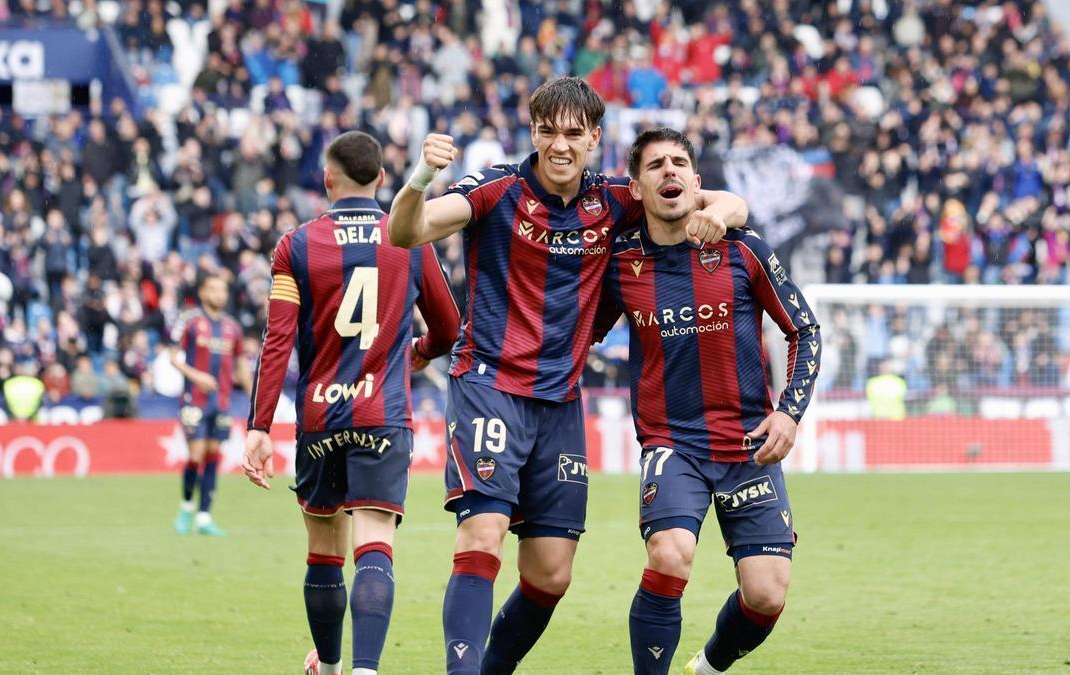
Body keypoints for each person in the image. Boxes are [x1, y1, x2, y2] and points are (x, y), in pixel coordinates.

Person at [387, 76, 748, 674]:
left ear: (594, 139)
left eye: (573, 134)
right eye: (548, 131)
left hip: (559, 400)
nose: (560, 145)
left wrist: (725, 212)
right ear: (533, 133)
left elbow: (718, 201)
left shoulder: (616, 199)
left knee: (551, 575)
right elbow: (406, 231)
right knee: (482, 534)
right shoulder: (496, 189)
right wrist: (422, 176)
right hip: (490, 384)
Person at [592, 128, 822, 675]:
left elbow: (804, 330)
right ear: (636, 188)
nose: (668, 171)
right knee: (669, 554)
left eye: (679, 162)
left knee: (766, 595)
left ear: (697, 183)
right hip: (673, 443)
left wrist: (789, 413)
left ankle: (706, 668)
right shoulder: (620, 263)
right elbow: (579, 331)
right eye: (655, 165)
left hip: (748, 444)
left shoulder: (744, 248)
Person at [241, 131, 460, 675]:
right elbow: (449, 328)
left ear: (326, 179)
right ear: (382, 178)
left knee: (324, 549)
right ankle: (365, 670)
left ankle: (332, 667)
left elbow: (277, 340)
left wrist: (259, 425)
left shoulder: (296, 245)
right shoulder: (408, 238)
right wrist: (419, 352)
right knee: (374, 546)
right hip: (382, 413)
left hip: (320, 415)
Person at [170, 274, 251, 536]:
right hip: (194, 399)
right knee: (196, 455)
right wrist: (196, 376)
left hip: (222, 401)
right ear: (203, 292)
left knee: (213, 455)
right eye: (213, 289)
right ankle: (186, 506)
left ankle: (204, 517)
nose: (219, 294)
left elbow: (241, 364)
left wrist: (254, 396)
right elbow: (173, 357)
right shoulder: (190, 320)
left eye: (223, 290)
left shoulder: (232, 327)